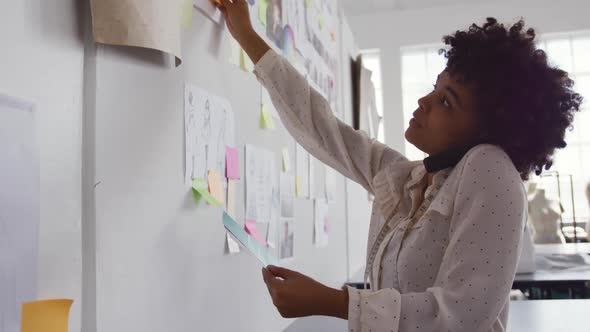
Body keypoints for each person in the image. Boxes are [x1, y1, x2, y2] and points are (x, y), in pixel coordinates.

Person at [216, 0, 583, 330]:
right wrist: (246, 34)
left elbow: (463, 315)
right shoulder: (407, 179)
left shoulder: (491, 168)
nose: (424, 101)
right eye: (436, 88)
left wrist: (334, 302)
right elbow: (321, 125)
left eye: (446, 102)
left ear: (486, 133)